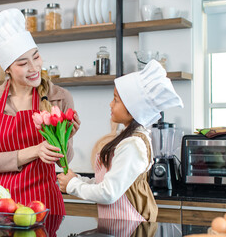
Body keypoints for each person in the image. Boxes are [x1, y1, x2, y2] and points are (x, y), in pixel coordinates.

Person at [0, 8, 80, 216]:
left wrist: (66, 137)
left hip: (44, 202)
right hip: (1, 204)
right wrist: (35, 151)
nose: (34, 68)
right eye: (23, 63)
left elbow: (63, 161)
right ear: (7, 69)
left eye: (36, 57)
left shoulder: (60, 97)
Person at [57, 60, 183, 221]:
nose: (110, 104)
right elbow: (107, 182)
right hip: (117, 225)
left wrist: (73, 186)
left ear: (133, 109)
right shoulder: (128, 138)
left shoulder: (132, 145)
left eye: (115, 100)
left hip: (130, 228)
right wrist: (79, 180)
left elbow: (108, 193)